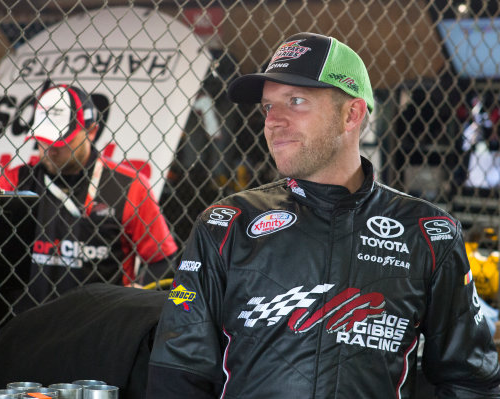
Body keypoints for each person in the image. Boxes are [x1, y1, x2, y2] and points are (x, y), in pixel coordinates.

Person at [146, 32, 500, 398]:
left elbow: (471, 381)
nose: (273, 121)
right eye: (268, 106)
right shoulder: (225, 224)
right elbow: (176, 376)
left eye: (296, 101)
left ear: (352, 114)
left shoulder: (429, 233)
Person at [0, 84, 178, 310]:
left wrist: (137, 299)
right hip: (27, 327)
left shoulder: (129, 186)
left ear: (90, 131)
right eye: (43, 138)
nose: (50, 148)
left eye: (60, 139)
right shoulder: (13, 181)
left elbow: (162, 260)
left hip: (102, 331)